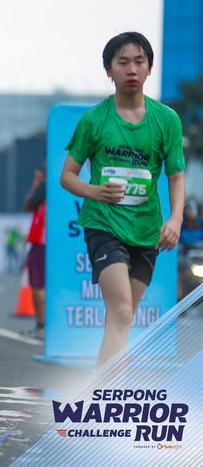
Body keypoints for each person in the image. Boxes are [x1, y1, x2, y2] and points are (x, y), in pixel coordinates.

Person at [60, 32, 185, 366]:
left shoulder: (167, 120)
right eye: (123, 62)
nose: (132, 69)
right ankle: (111, 389)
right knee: (121, 311)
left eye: (139, 62)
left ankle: (103, 388)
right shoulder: (94, 120)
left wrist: (175, 219)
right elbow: (67, 175)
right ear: (109, 70)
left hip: (146, 231)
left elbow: (176, 175)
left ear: (149, 69)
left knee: (122, 319)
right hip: (103, 225)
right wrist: (95, 191)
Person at [22, 165, 46, 339]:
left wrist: (36, 183)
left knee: (38, 284)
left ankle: (42, 326)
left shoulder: (45, 184)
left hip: (42, 240)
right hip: (59, 240)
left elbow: (28, 205)